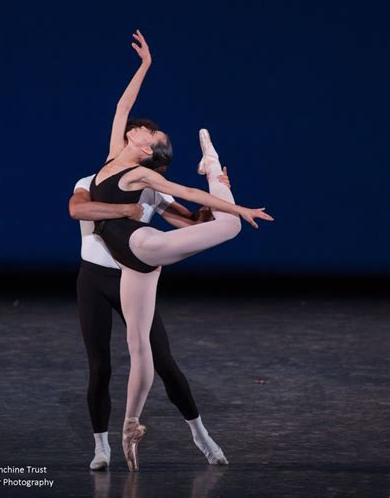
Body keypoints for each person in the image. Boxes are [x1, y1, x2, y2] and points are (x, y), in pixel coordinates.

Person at [82, 29, 273, 471]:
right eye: (144, 127)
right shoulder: (113, 156)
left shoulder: (142, 176)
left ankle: (214, 166)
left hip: (141, 249)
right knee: (139, 348)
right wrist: (145, 66)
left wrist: (238, 205)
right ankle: (130, 426)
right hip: (134, 271)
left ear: (147, 147)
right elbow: (121, 107)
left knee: (229, 226)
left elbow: (183, 191)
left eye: (150, 131)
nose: (142, 128)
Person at [70, 119, 233, 471]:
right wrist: (124, 211)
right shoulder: (89, 181)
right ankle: (101, 447)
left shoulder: (150, 187)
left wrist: (219, 202)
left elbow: (191, 222)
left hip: (133, 277)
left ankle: (201, 436)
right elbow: (78, 210)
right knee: (100, 366)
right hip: (94, 280)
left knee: (164, 363)